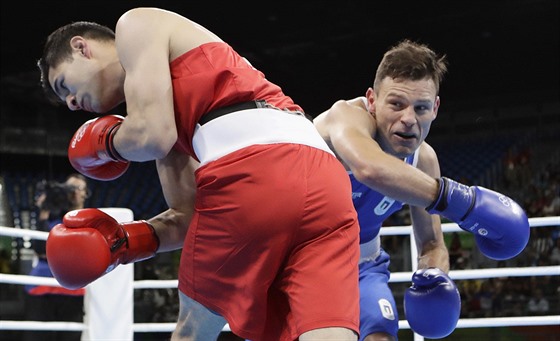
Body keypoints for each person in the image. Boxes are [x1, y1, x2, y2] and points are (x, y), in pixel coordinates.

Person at [37, 7, 360, 341]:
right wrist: (127, 240)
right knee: (325, 330)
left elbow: (150, 134)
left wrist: (103, 143)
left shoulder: (136, 24)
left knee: (194, 330)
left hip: (256, 171)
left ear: (81, 47)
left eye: (65, 86)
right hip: (326, 181)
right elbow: (189, 215)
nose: (72, 103)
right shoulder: (164, 110)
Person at [313, 40, 531, 340]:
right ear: (372, 100)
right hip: (299, 261)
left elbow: (431, 242)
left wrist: (435, 274)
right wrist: (462, 202)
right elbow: (370, 167)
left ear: (435, 108)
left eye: (421, 108)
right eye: (396, 104)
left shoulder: (424, 160)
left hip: (363, 266)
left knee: (381, 333)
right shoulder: (344, 118)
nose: (408, 119)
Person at [24, 173, 89, 341]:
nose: (73, 192)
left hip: (72, 288)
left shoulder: (89, 220)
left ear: (85, 193)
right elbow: (39, 248)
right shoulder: (51, 218)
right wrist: (43, 210)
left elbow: (80, 253)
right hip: (42, 285)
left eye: (78, 188)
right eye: (70, 187)